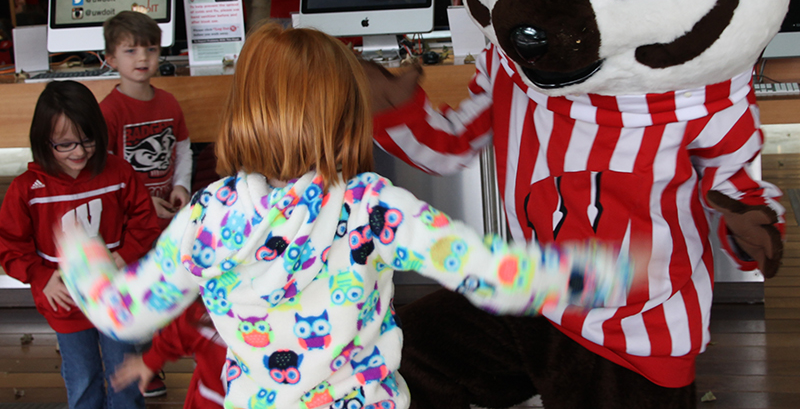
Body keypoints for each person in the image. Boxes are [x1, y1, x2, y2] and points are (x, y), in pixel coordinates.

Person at [56, 23, 634, 409]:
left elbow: (126, 313)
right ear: (345, 117)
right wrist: (590, 271)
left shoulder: (211, 213)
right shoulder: (371, 204)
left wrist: (82, 257)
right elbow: (481, 269)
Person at [0, 80, 160, 409]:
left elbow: (145, 222)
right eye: (64, 144)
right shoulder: (27, 189)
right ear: (44, 142)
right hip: (66, 307)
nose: (78, 152)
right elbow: (10, 245)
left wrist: (122, 257)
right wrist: (41, 277)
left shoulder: (119, 172)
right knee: (83, 376)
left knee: (123, 374)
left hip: (117, 297)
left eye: (87, 140)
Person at [100, 11, 192, 229]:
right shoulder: (108, 110)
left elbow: (182, 149)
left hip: (169, 216)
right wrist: (140, 202)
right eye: (131, 51)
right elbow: (104, 169)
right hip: (129, 220)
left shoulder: (169, 102)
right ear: (111, 59)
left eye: (151, 49)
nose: (142, 58)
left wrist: (181, 185)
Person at [111, 299, 227, 409]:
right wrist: (151, 360)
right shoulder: (213, 313)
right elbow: (184, 327)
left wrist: (151, 360)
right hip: (212, 400)